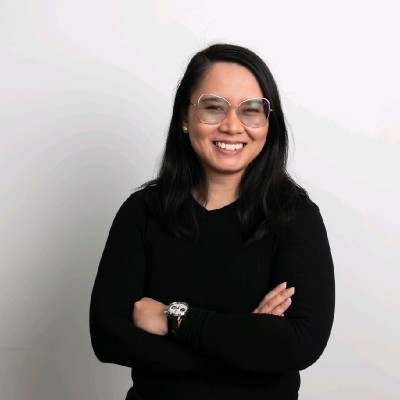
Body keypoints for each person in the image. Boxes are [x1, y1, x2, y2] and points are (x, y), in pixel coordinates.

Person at [89, 43, 335, 400]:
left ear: (269, 123)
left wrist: (174, 318)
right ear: (185, 118)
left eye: (251, 110)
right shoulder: (142, 212)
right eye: (214, 107)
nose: (233, 126)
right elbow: (107, 337)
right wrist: (248, 342)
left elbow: (300, 344)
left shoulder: (294, 216)